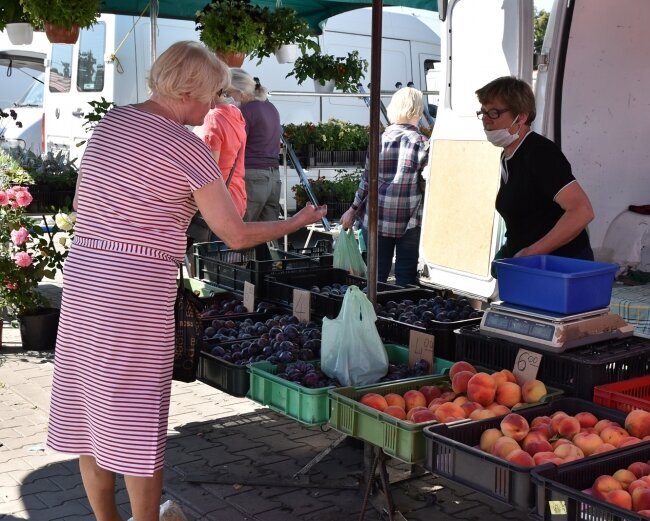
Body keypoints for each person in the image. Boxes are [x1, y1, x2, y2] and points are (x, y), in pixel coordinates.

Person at [45, 41, 325, 521]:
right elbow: (234, 233)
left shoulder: (112, 123)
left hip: (85, 286)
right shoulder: (185, 147)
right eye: (213, 93)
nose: (215, 104)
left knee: (90, 414)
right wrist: (295, 222)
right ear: (190, 89)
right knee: (136, 421)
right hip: (135, 295)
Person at [475, 76, 595, 260]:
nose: (486, 120)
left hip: (558, 267)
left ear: (521, 117)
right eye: (483, 112)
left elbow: (581, 211)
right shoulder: (509, 155)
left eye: (494, 113)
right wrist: (511, 247)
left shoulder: (540, 153)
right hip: (530, 267)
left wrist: (532, 252)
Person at [339, 87, 429, 287]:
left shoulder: (378, 140)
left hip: (376, 217)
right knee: (405, 276)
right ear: (418, 110)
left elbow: (366, 180)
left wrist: (352, 209)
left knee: (376, 276)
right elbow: (426, 186)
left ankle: (374, 314)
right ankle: (400, 314)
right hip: (409, 220)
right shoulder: (422, 143)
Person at [227, 69, 282, 222]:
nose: (229, 97)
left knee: (243, 230)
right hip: (273, 176)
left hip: (253, 176)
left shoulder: (245, 111)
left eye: (229, 93)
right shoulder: (271, 108)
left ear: (241, 92)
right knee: (268, 233)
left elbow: (235, 145)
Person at [195, 83, 247, 218]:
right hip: (236, 196)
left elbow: (208, 175)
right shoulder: (235, 113)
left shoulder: (212, 118)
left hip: (217, 206)